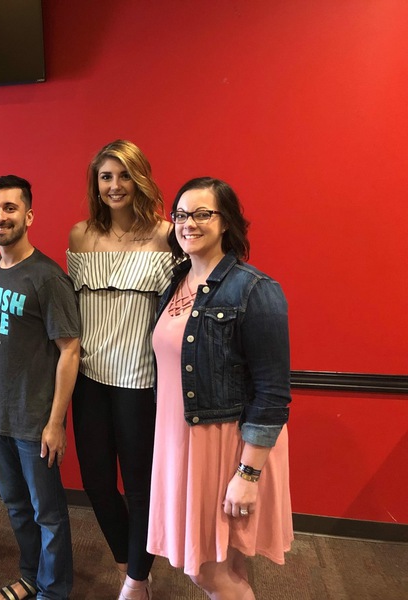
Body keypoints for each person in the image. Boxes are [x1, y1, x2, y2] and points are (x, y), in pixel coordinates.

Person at [149, 177, 293, 599]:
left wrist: (248, 473)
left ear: (225, 221)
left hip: (224, 444)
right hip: (181, 441)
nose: (188, 223)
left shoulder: (254, 289)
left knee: (206, 571)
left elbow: (272, 391)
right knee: (225, 561)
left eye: (201, 213)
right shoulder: (175, 281)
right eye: (180, 214)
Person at [67, 140, 173, 600]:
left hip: (141, 381)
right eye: (106, 177)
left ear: (140, 179)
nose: (115, 185)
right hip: (88, 378)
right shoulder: (80, 235)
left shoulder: (167, 235)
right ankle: (132, 559)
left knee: (139, 486)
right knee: (94, 481)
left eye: (124, 175)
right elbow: (61, 301)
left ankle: (135, 580)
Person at [0, 175, 81, 600]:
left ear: (29, 215)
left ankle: (54, 591)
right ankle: (30, 575)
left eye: (9, 208)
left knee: (48, 514)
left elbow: (71, 350)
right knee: (17, 508)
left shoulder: (47, 277)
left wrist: (55, 423)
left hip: (33, 421)